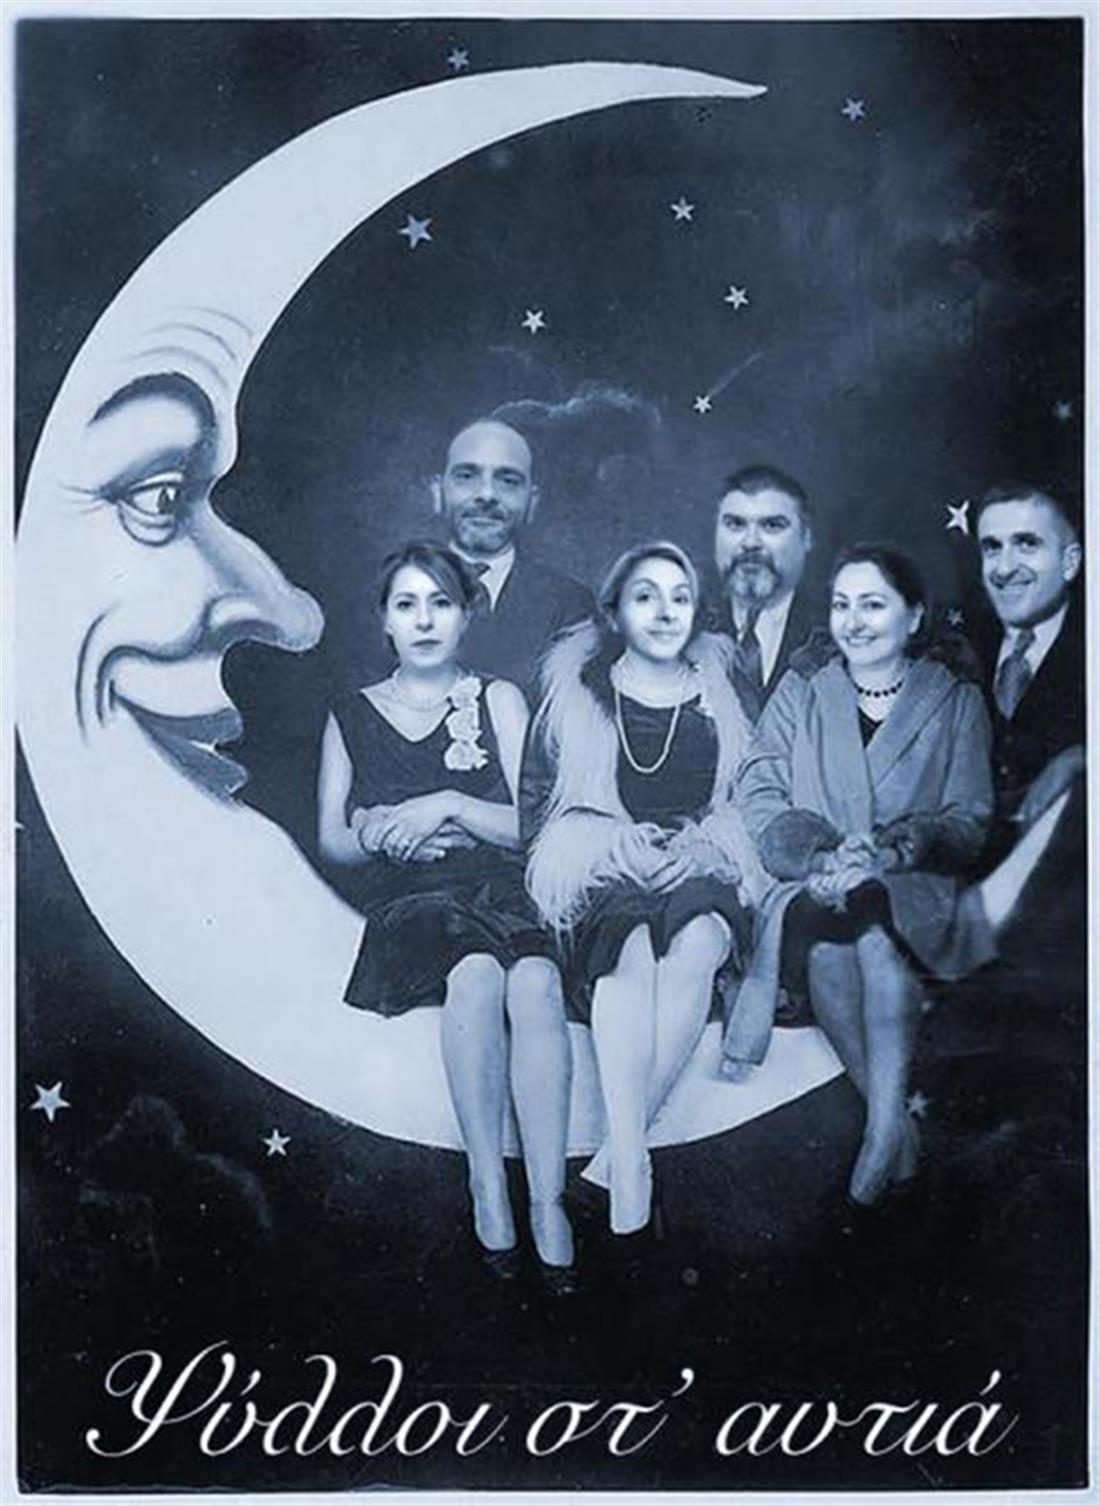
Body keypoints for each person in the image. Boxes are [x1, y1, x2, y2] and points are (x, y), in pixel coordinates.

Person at [317, 542, 575, 1286]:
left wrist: (448, 803)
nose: (424, 620)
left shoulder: (499, 699)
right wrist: (378, 831)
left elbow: (533, 827)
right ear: (385, 621)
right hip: (415, 899)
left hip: (501, 888)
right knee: (476, 978)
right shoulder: (352, 713)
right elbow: (333, 838)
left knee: (536, 982)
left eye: (441, 603)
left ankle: (549, 1201)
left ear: (466, 617)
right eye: (407, 605)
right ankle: (487, 1185)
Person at [728, 544, 995, 1205]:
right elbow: (758, 788)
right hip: (812, 880)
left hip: (911, 887)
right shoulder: (803, 689)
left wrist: (893, 851)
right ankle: (896, 1128)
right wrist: (819, 853)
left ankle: (880, 1136)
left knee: (872, 933)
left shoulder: (955, 700)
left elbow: (969, 818)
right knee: (826, 946)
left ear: (914, 616)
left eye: (873, 605)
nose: (853, 621)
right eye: (841, 605)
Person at [525, 541, 766, 1236]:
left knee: (702, 939)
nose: (664, 611)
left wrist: (707, 847)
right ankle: (633, 1163)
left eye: (679, 597)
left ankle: (612, 1159)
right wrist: (609, 841)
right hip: (607, 868)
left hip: (697, 863)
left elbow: (754, 797)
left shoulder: (723, 690)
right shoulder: (576, 694)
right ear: (615, 614)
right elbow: (541, 810)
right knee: (630, 946)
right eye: (645, 596)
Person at [431, 415, 594, 693]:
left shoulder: (571, 605)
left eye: (508, 480)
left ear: (532, 501)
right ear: (438, 491)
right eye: (467, 476)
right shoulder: (386, 595)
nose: (486, 495)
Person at [711, 464, 820, 723]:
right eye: (735, 524)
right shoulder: (683, 629)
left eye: (771, 526)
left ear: (806, 538)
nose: (750, 543)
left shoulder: (839, 632)